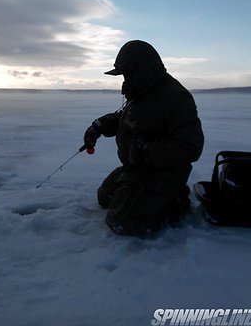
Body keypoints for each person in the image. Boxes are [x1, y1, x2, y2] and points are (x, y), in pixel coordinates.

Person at [84, 40, 204, 236]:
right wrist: (101, 126)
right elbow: (132, 119)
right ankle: (147, 194)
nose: (124, 80)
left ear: (140, 71)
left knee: (122, 221)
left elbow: (191, 147)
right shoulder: (142, 90)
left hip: (164, 172)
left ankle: (175, 200)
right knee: (104, 198)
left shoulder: (175, 98)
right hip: (139, 167)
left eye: (126, 74)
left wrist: (143, 150)